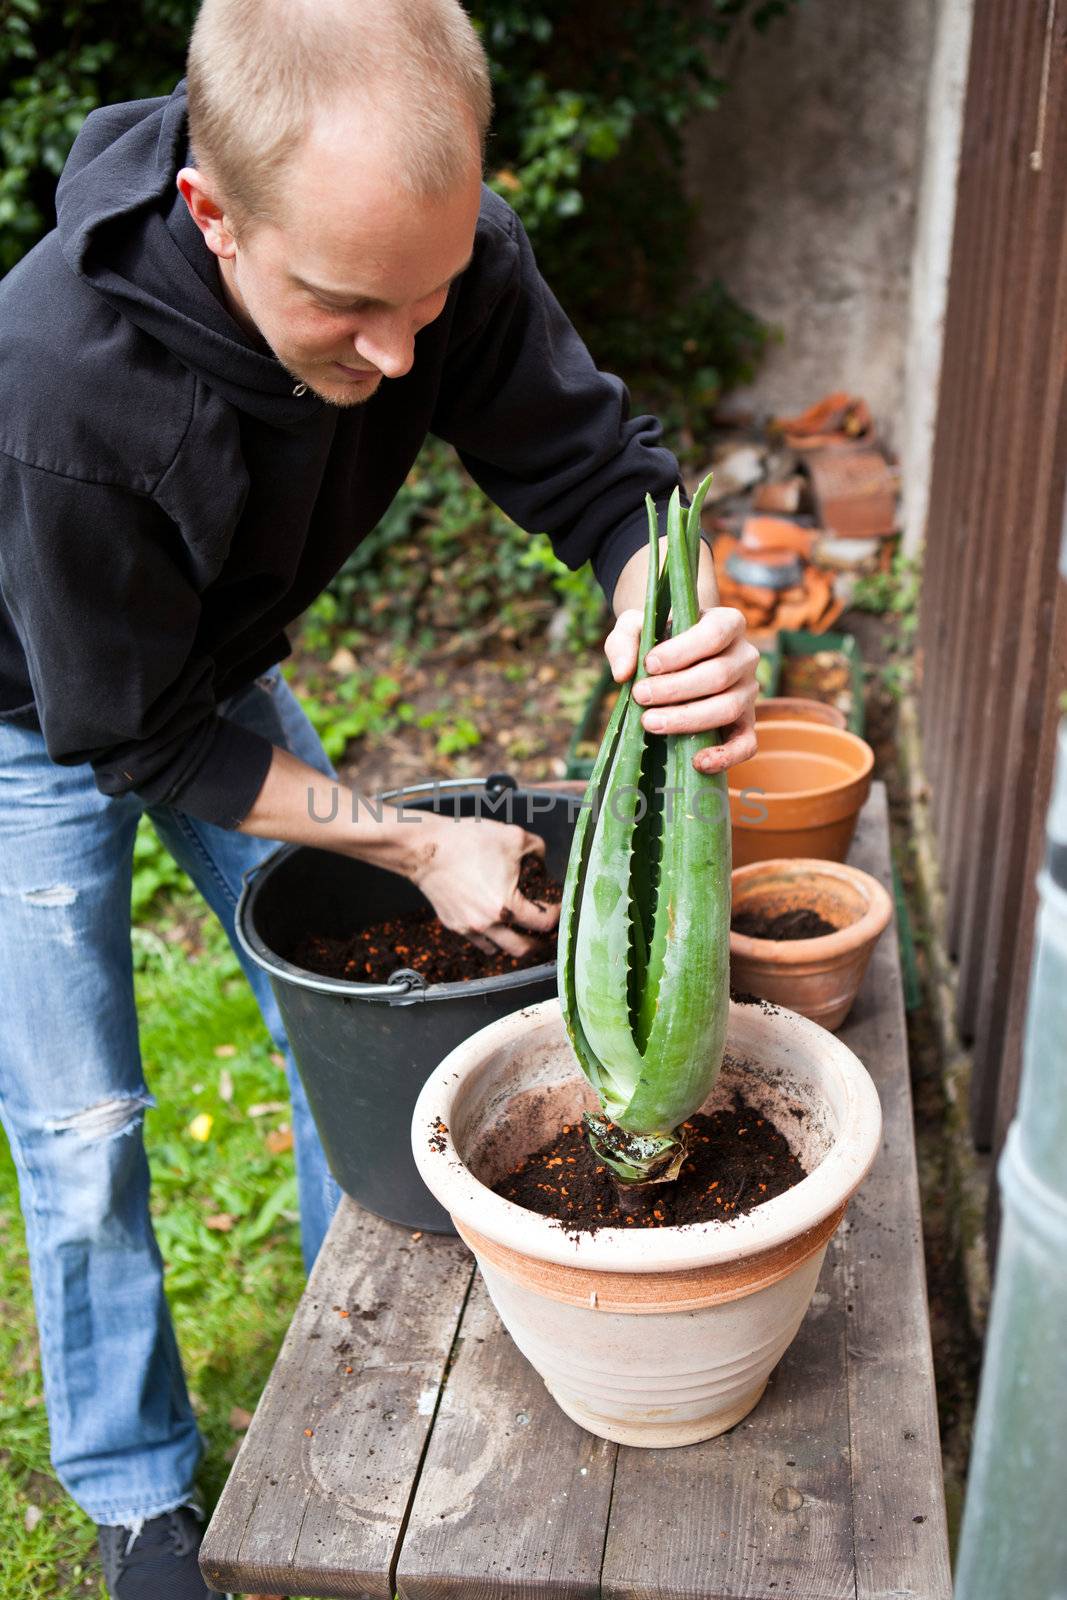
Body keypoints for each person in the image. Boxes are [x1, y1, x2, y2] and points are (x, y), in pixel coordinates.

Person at [0, 0, 759, 1593]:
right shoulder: (62, 387)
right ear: (213, 216)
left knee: (328, 1021)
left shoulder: (436, 248)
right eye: (348, 309)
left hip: (201, 669)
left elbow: (596, 466)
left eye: (428, 302)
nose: (403, 357)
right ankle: (138, 1494)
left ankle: (350, 1353)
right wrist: (414, 839)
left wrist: (659, 596)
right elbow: (128, 738)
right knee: (83, 1124)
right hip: (31, 714)